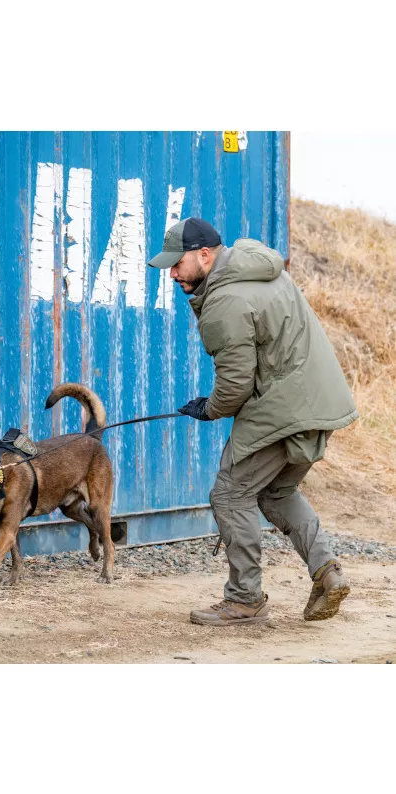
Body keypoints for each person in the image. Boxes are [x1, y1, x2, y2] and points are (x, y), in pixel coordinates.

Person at [149, 218, 358, 625]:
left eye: (177, 264)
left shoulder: (224, 301)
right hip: (322, 400)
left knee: (230, 494)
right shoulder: (258, 268)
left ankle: (245, 600)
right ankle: (328, 572)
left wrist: (209, 408)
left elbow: (235, 386)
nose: (172, 274)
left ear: (204, 255)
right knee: (277, 492)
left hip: (286, 405)